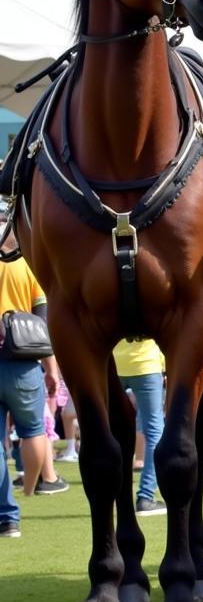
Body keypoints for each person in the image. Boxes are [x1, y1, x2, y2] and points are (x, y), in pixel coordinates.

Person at [0, 216, 66, 539]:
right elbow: (43, 325)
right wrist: (52, 370)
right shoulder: (27, 266)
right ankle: (31, 490)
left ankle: (7, 514)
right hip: (25, 363)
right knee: (33, 429)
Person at [113, 338, 167, 515]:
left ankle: (119, 499)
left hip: (114, 364)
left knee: (113, 430)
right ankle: (146, 496)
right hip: (146, 364)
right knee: (154, 430)